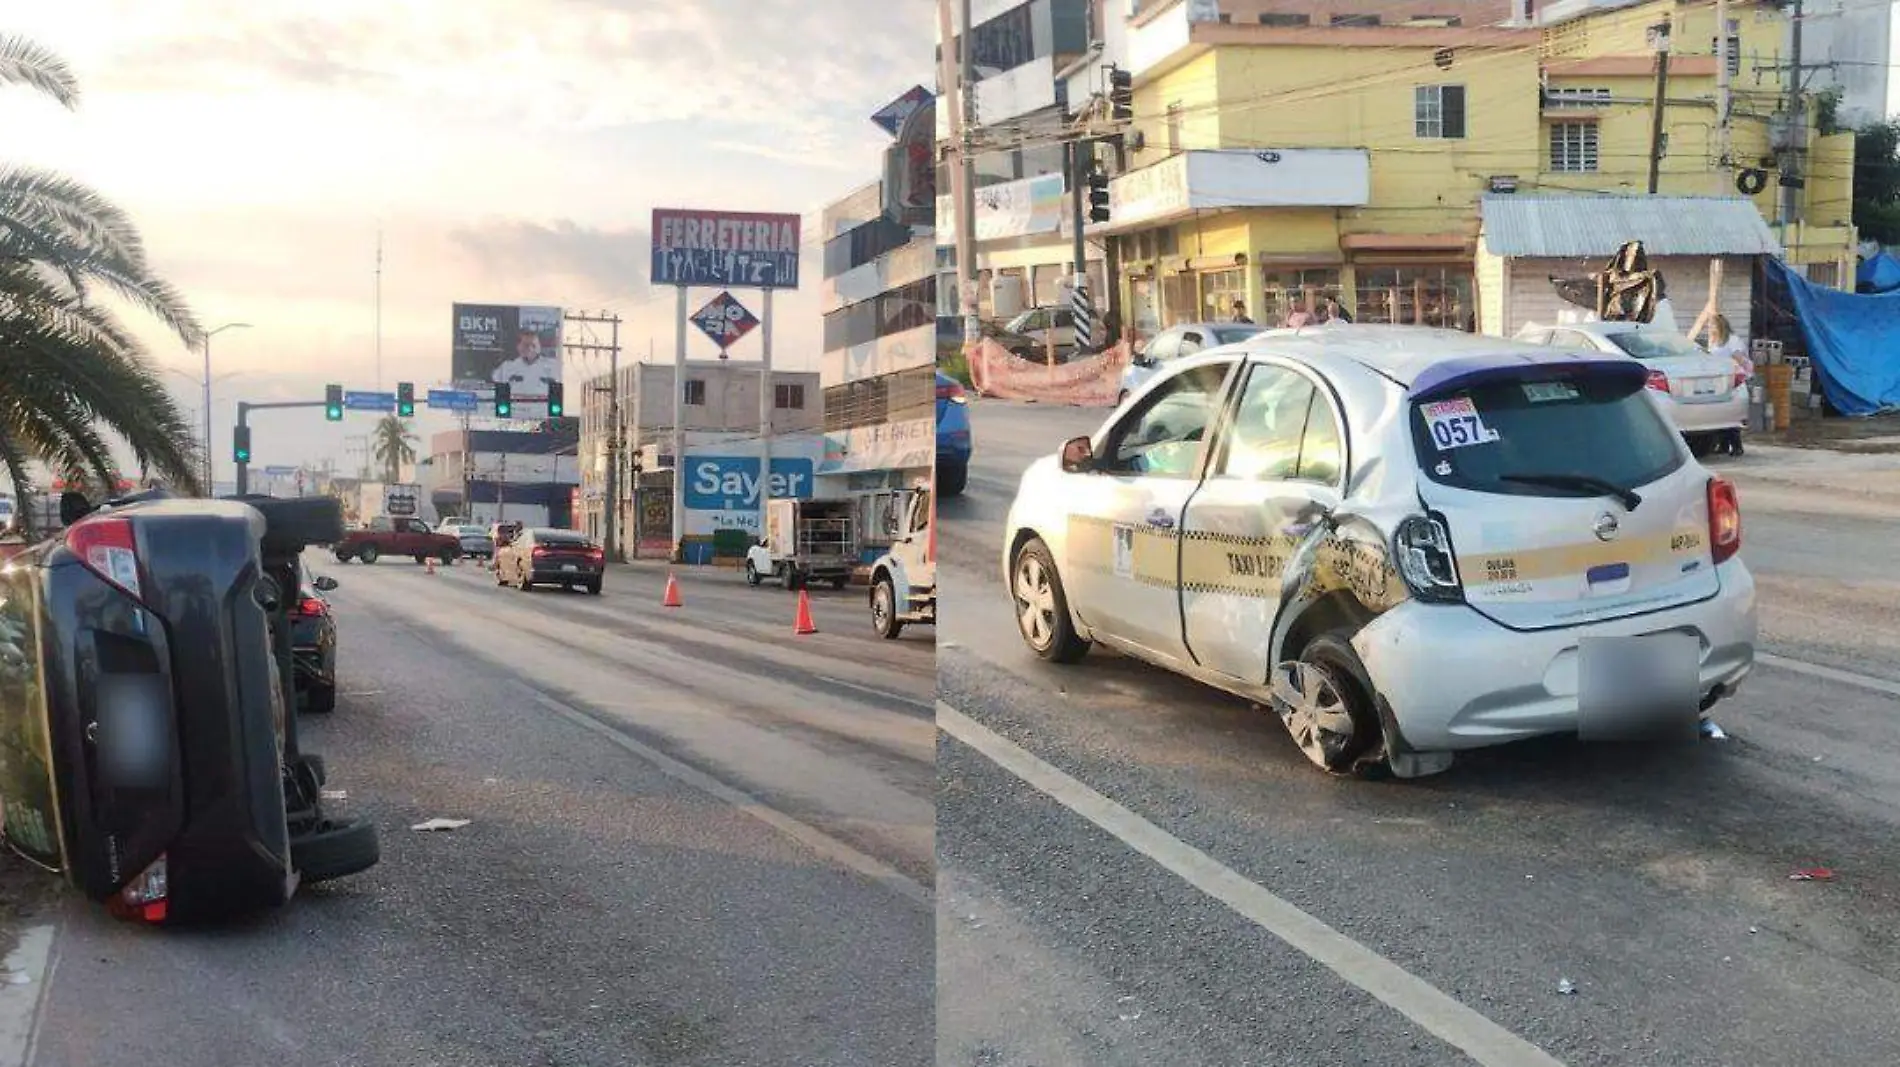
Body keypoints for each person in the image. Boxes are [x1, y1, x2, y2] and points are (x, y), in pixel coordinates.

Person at [1706, 314, 1751, 456]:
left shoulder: (1732, 341)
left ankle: (1736, 445)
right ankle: (1724, 445)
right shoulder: (1716, 341)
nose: (1709, 328)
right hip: (1719, 381)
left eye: (1712, 325)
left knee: (1730, 413)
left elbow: (1741, 360)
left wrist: (1744, 375)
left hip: (1731, 380)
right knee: (1720, 413)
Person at [491, 326, 561, 390]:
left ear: (539, 347)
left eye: (533, 345)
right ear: (518, 347)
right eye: (526, 345)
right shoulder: (507, 367)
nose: (530, 349)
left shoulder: (553, 366)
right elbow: (495, 386)